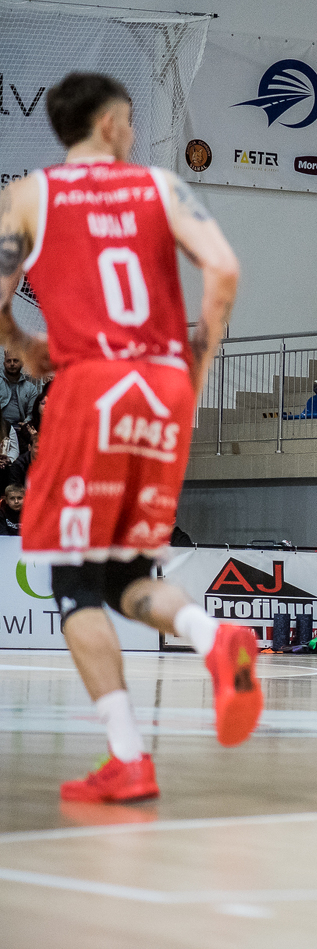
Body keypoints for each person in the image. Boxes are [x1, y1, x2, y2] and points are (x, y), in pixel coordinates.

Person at [0, 71, 259, 802]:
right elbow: (223, 269)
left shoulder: (29, 194)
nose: (137, 131)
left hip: (93, 386)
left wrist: (24, 345)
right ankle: (215, 638)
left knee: (73, 582)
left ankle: (127, 756)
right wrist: (197, 361)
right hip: (163, 388)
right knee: (126, 576)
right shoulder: (160, 186)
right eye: (133, 119)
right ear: (110, 122)